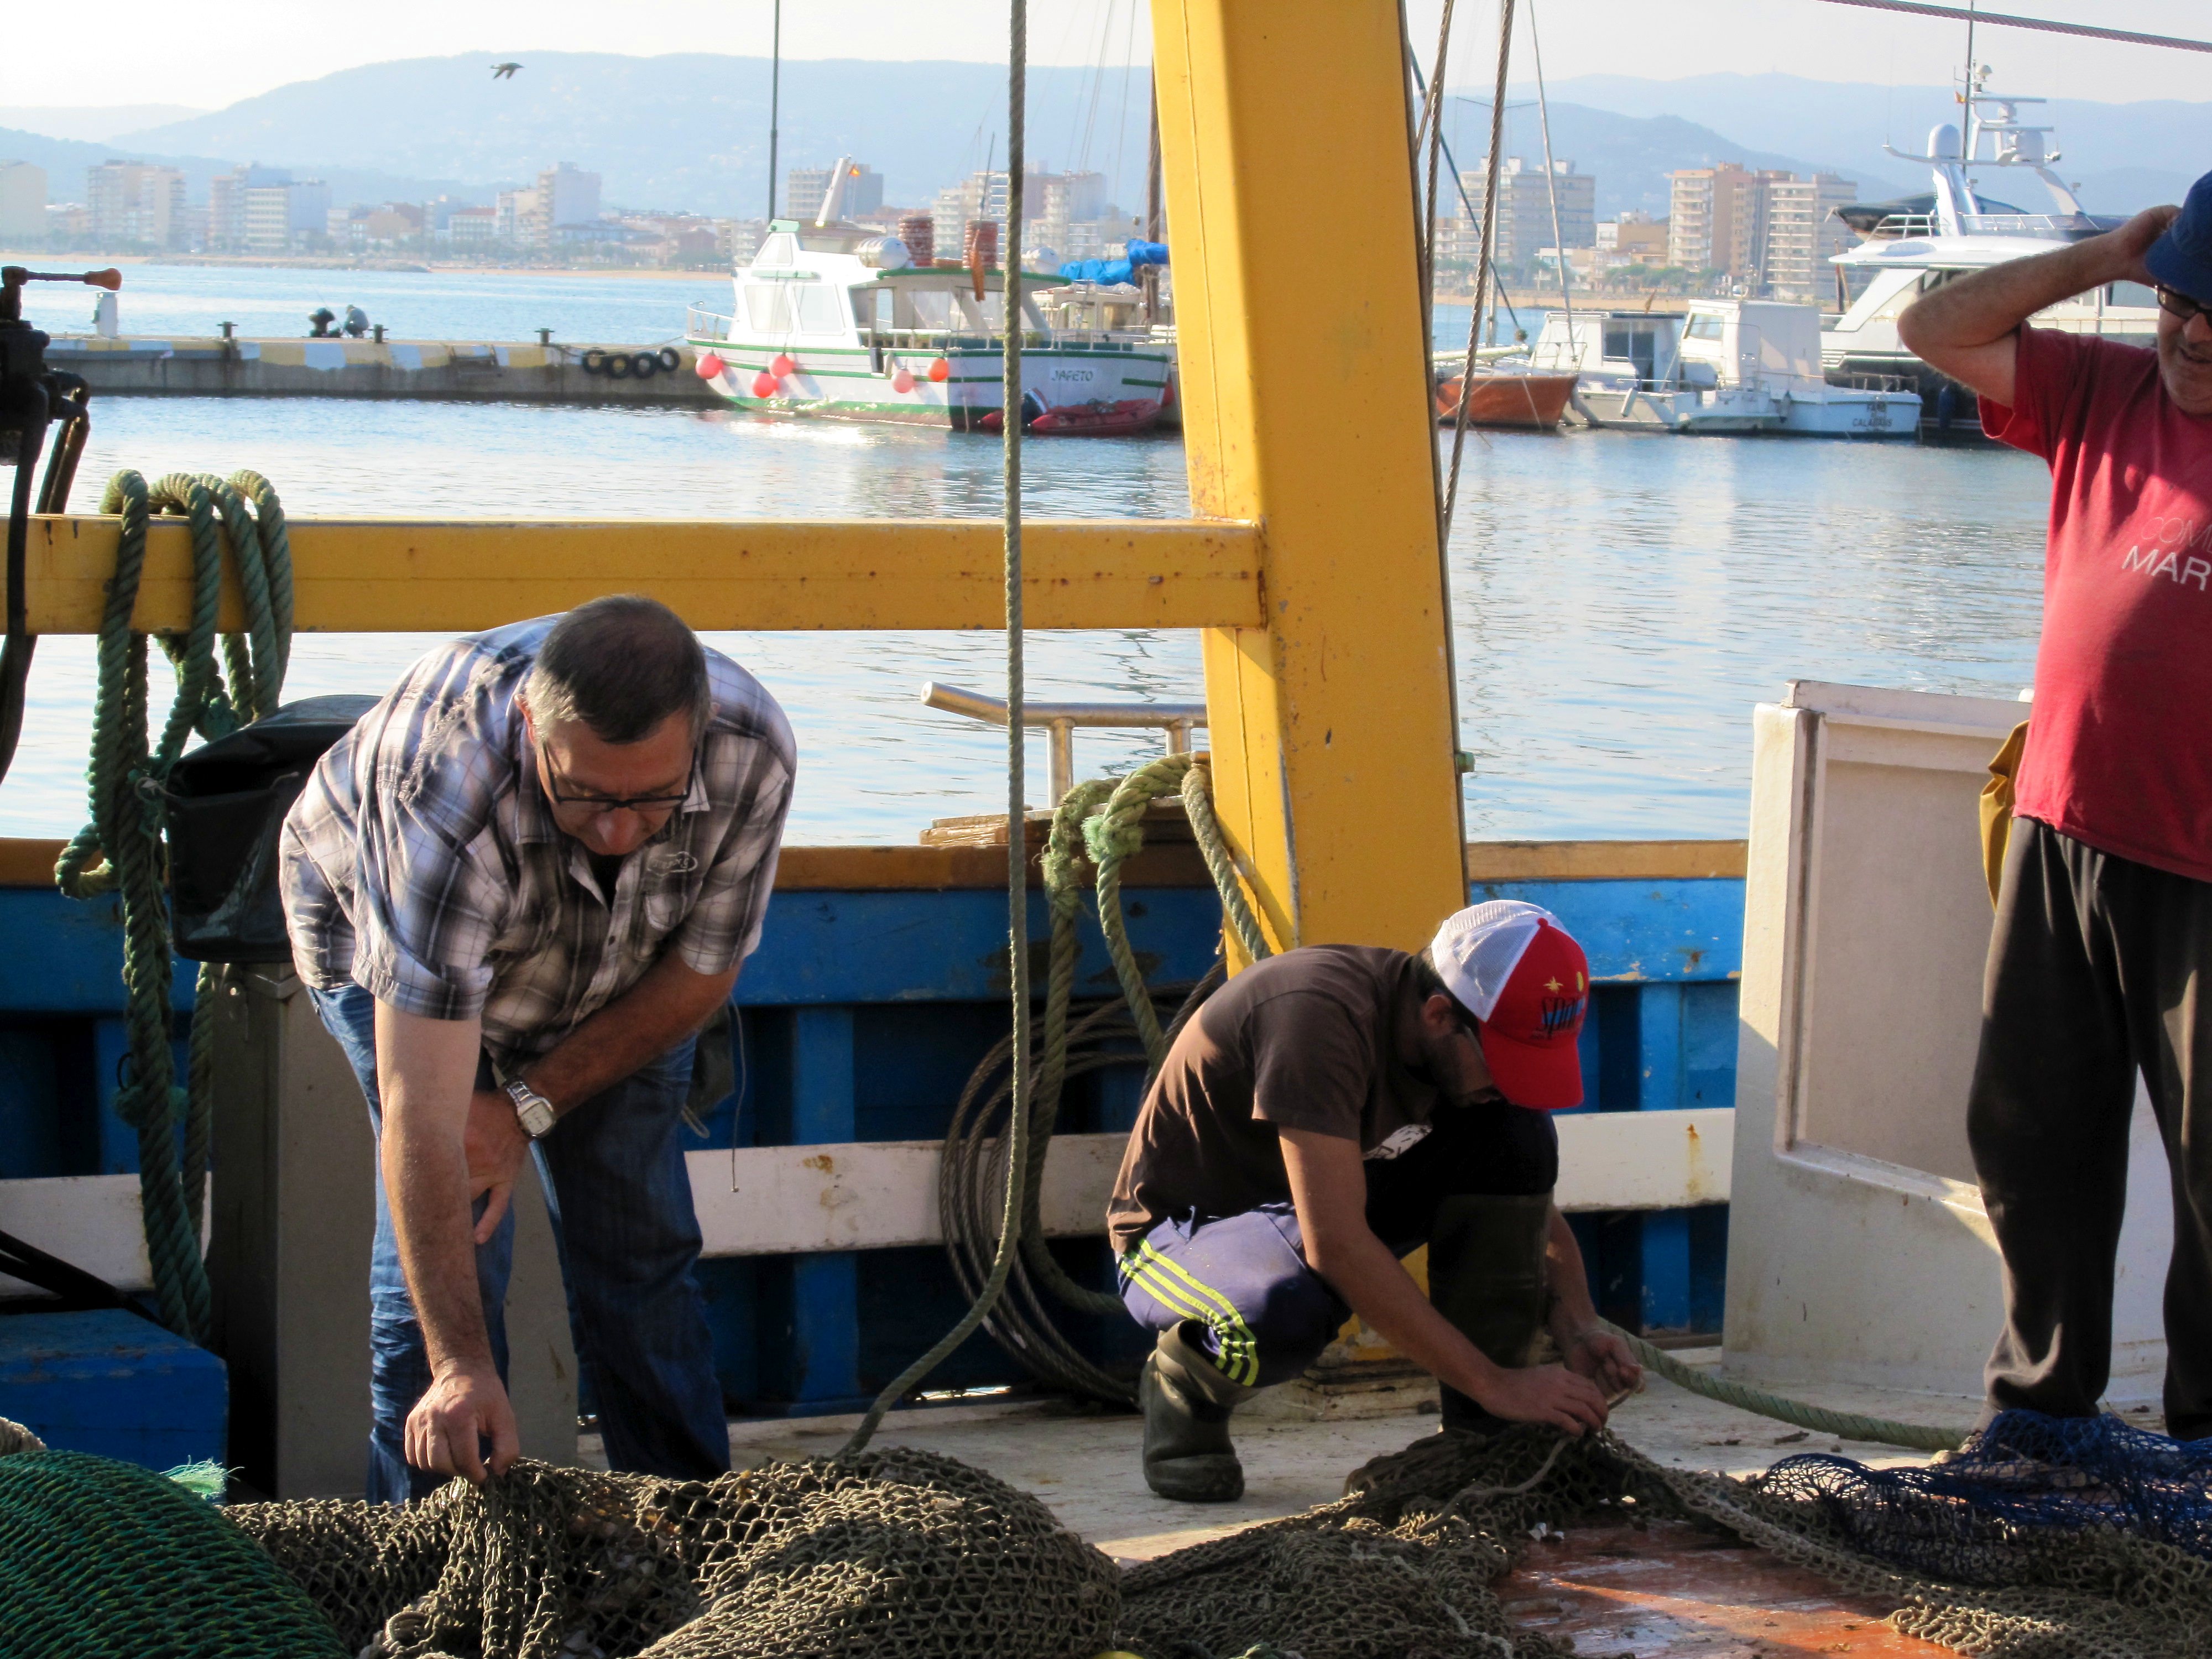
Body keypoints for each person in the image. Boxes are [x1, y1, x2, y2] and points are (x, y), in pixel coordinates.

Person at [279, 596, 796, 1501]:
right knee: (460, 1238)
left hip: (620, 967)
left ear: (700, 730)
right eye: (586, 792)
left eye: (654, 799)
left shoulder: (751, 746)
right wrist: (461, 1367)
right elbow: (422, 1117)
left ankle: (684, 1526)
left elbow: (700, 974)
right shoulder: (443, 788)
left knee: (640, 1244)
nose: (619, 831)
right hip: (393, 941)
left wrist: (527, 1104)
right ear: (529, 724)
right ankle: (438, 1547)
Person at [1898, 178, 2212, 1438]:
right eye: (2180, 303)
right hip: (2061, 829)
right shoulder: (2097, 389)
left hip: (2202, 867)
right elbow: (1933, 327)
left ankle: (2203, 1442)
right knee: (2030, 1138)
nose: (2194, 335)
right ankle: (2040, 1417)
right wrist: (2103, 256)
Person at [1108, 900, 1641, 1502]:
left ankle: (1483, 1438)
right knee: (1276, 1313)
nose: (1505, 1083)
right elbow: (1336, 1246)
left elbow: (1522, 1200)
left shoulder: (1447, 1052)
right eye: (1502, 1062)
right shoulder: (1316, 1017)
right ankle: (1184, 1384)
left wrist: (1578, 1325)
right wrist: (1495, 1382)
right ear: (1439, 1015)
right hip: (1184, 1235)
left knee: (1516, 1130)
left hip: (1315, 1208)